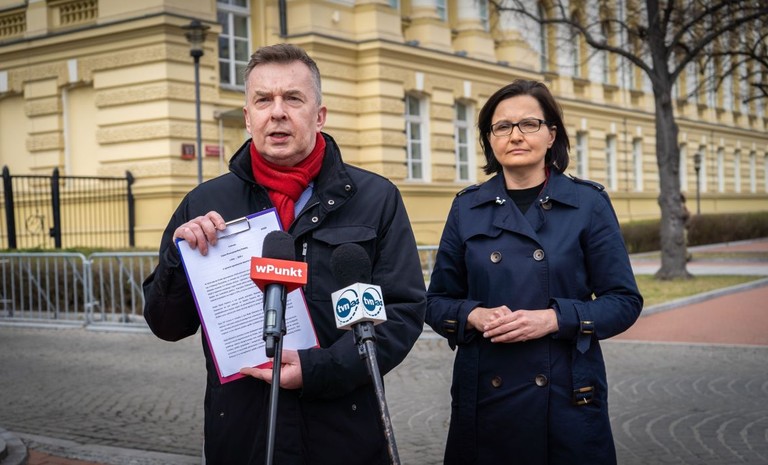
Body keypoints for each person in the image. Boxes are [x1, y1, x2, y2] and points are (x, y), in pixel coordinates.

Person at [142, 43, 426, 465]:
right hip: (244, 434)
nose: (277, 112)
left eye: (293, 98)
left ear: (319, 114)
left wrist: (318, 369)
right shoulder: (204, 203)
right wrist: (178, 260)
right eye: (263, 100)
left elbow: (401, 313)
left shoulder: (376, 198)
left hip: (343, 431)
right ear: (247, 117)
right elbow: (166, 324)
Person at [425, 79, 643, 465]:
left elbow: (624, 302)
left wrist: (554, 319)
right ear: (489, 139)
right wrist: (473, 315)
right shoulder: (467, 207)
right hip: (487, 397)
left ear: (551, 134)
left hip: (565, 395)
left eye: (529, 124)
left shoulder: (587, 203)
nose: (516, 135)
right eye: (502, 126)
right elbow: (436, 301)